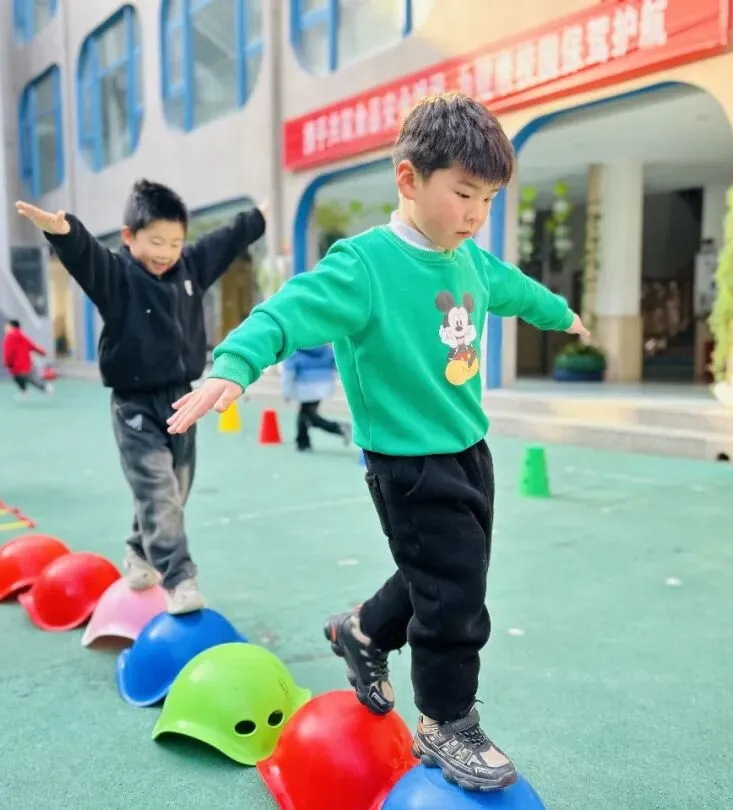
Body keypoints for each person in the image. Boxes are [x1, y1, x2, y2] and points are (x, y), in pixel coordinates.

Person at [165, 92, 589, 792]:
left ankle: (362, 631)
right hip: (407, 463)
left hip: (469, 450)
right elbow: (286, 311)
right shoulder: (364, 265)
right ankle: (446, 722)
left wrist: (557, 312)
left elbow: (512, 289)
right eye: (463, 194)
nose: (476, 214)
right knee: (454, 594)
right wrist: (233, 365)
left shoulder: (469, 259)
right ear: (408, 179)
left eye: (487, 199)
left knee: (445, 575)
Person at [15, 180, 267, 615]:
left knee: (176, 490)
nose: (165, 252)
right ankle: (179, 578)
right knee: (158, 489)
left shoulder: (190, 268)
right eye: (155, 242)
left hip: (182, 400)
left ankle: (138, 549)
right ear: (129, 237)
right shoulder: (118, 277)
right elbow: (87, 258)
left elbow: (225, 240)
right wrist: (63, 232)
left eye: (174, 242)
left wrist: (258, 216)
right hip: (134, 404)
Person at [281, 344, 351, 451]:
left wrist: (287, 392)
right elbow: (337, 364)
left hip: (305, 388)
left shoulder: (294, 353)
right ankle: (303, 442)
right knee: (305, 414)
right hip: (323, 387)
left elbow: (288, 374)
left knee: (310, 417)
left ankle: (339, 428)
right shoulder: (325, 350)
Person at [2, 319, 52, 397]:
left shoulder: (9, 337)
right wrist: (43, 352)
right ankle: (45, 389)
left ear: (11, 326)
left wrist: (6, 362)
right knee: (30, 379)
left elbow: (8, 351)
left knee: (20, 378)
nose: (5, 328)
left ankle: (29, 390)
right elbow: (32, 346)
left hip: (16, 365)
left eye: (6, 326)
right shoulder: (22, 336)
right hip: (26, 364)